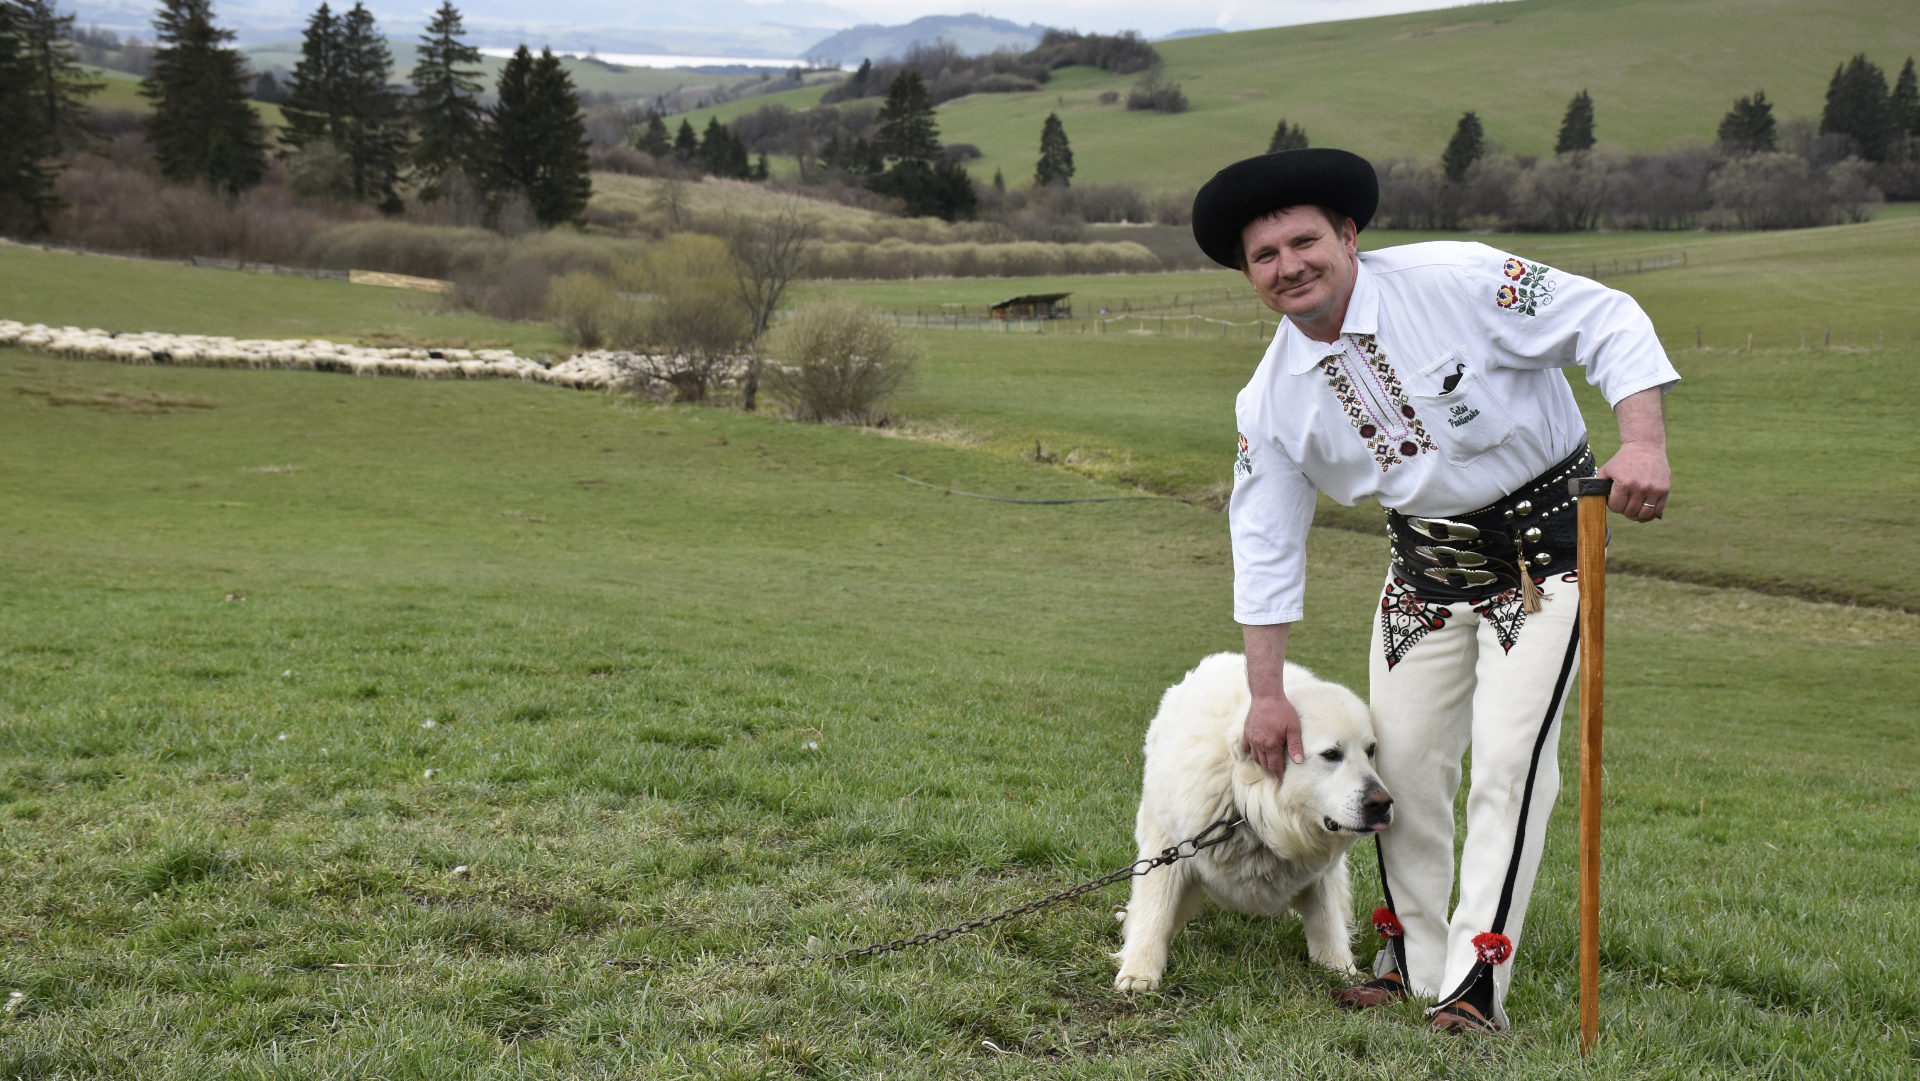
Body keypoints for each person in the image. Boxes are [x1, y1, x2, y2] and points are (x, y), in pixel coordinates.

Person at [1190, 148, 1677, 1033]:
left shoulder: (1457, 278)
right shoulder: (1269, 400)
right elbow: (1263, 542)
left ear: (1348, 235)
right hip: (1422, 575)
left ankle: (1476, 980)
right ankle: (1411, 960)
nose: (1289, 266)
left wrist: (1641, 440)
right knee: (1400, 772)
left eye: (1304, 242)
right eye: (1265, 256)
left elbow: (1607, 317)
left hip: (1546, 558)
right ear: (1249, 275)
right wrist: (1266, 693)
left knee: (1509, 764)